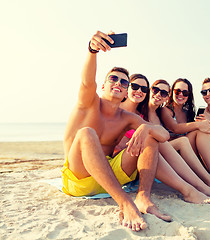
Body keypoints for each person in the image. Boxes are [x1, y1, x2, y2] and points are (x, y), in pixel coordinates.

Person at [62, 30, 172, 232]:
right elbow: (87, 81)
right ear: (103, 85)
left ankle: (142, 197)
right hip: (80, 180)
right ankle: (125, 203)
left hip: (110, 176)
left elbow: (165, 136)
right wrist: (92, 51)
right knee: (87, 133)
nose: (118, 84)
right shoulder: (89, 103)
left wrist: (146, 127)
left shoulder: (127, 118)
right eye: (113, 79)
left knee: (150, 136)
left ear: (126, 92)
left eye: (124, 82)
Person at [119, 76, 210, 197]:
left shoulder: (158, 112)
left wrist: (202, 125)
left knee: (192, 139)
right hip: (144, 155)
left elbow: (167, 134)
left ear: (167, 96)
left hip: (160, 151)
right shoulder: (143, 113)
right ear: (150, 91)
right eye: (155, 90)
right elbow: (172, 129)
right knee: (183, 141)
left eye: (164, 93)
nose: (159, 94)